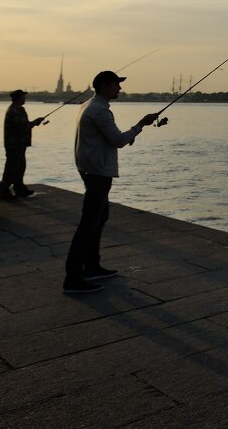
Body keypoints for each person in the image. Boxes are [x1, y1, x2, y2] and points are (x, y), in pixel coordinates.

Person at [63, 70, 159, 295]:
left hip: (88, 168)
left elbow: (108, 139)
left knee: (100, 217)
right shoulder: (100, 111)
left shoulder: (88, 105)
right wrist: (140, 125)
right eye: (117, 84)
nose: (120, 88)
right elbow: (118, 140)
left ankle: (92, 266)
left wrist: (130, 134)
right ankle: (74, 278)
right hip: (98, 172)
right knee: (88, 224)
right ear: (105, 85)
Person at [2, 89, 45, 199]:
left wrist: (34, 123)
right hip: (14, 144)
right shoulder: (15, 110)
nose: (25, 98)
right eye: (23, 97)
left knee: (20, 166)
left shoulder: (17, 109)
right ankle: (3, 190)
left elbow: (24, 125)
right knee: (12, 167)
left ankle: (19, 188)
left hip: (19, 144)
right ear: (18, 98)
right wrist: (35, 122)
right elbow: (22, 126)